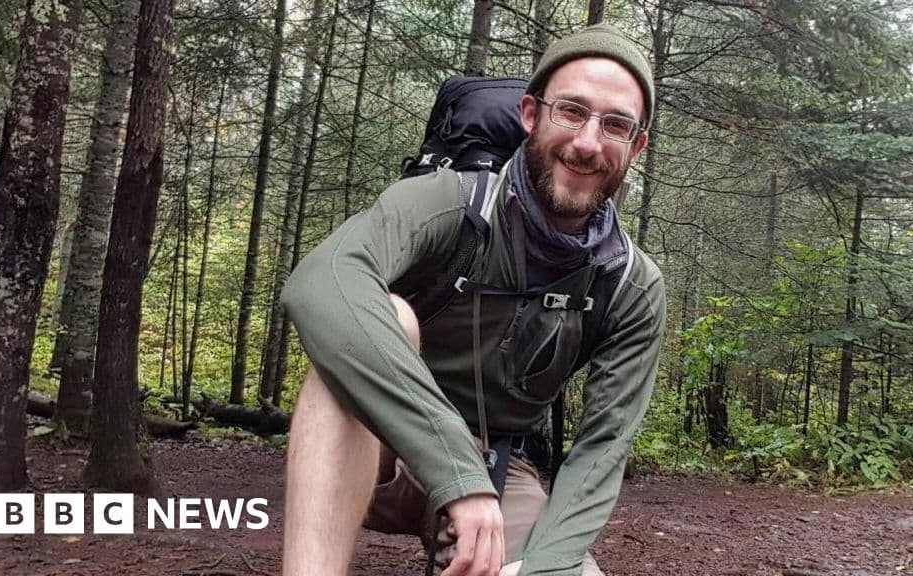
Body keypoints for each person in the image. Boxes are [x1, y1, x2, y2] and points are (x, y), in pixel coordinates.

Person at [281, 23, 666, 576]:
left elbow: (603, 446)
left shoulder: (629, 283)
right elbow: (321, 282)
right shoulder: (445, 204)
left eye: (615, 125)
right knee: (384, 319)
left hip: (503, 468)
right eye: (571, 112)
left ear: (636, 145)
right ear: (531, 115)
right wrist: (454, 467)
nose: (587, 142)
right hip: (380, 441)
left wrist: (548, 568)